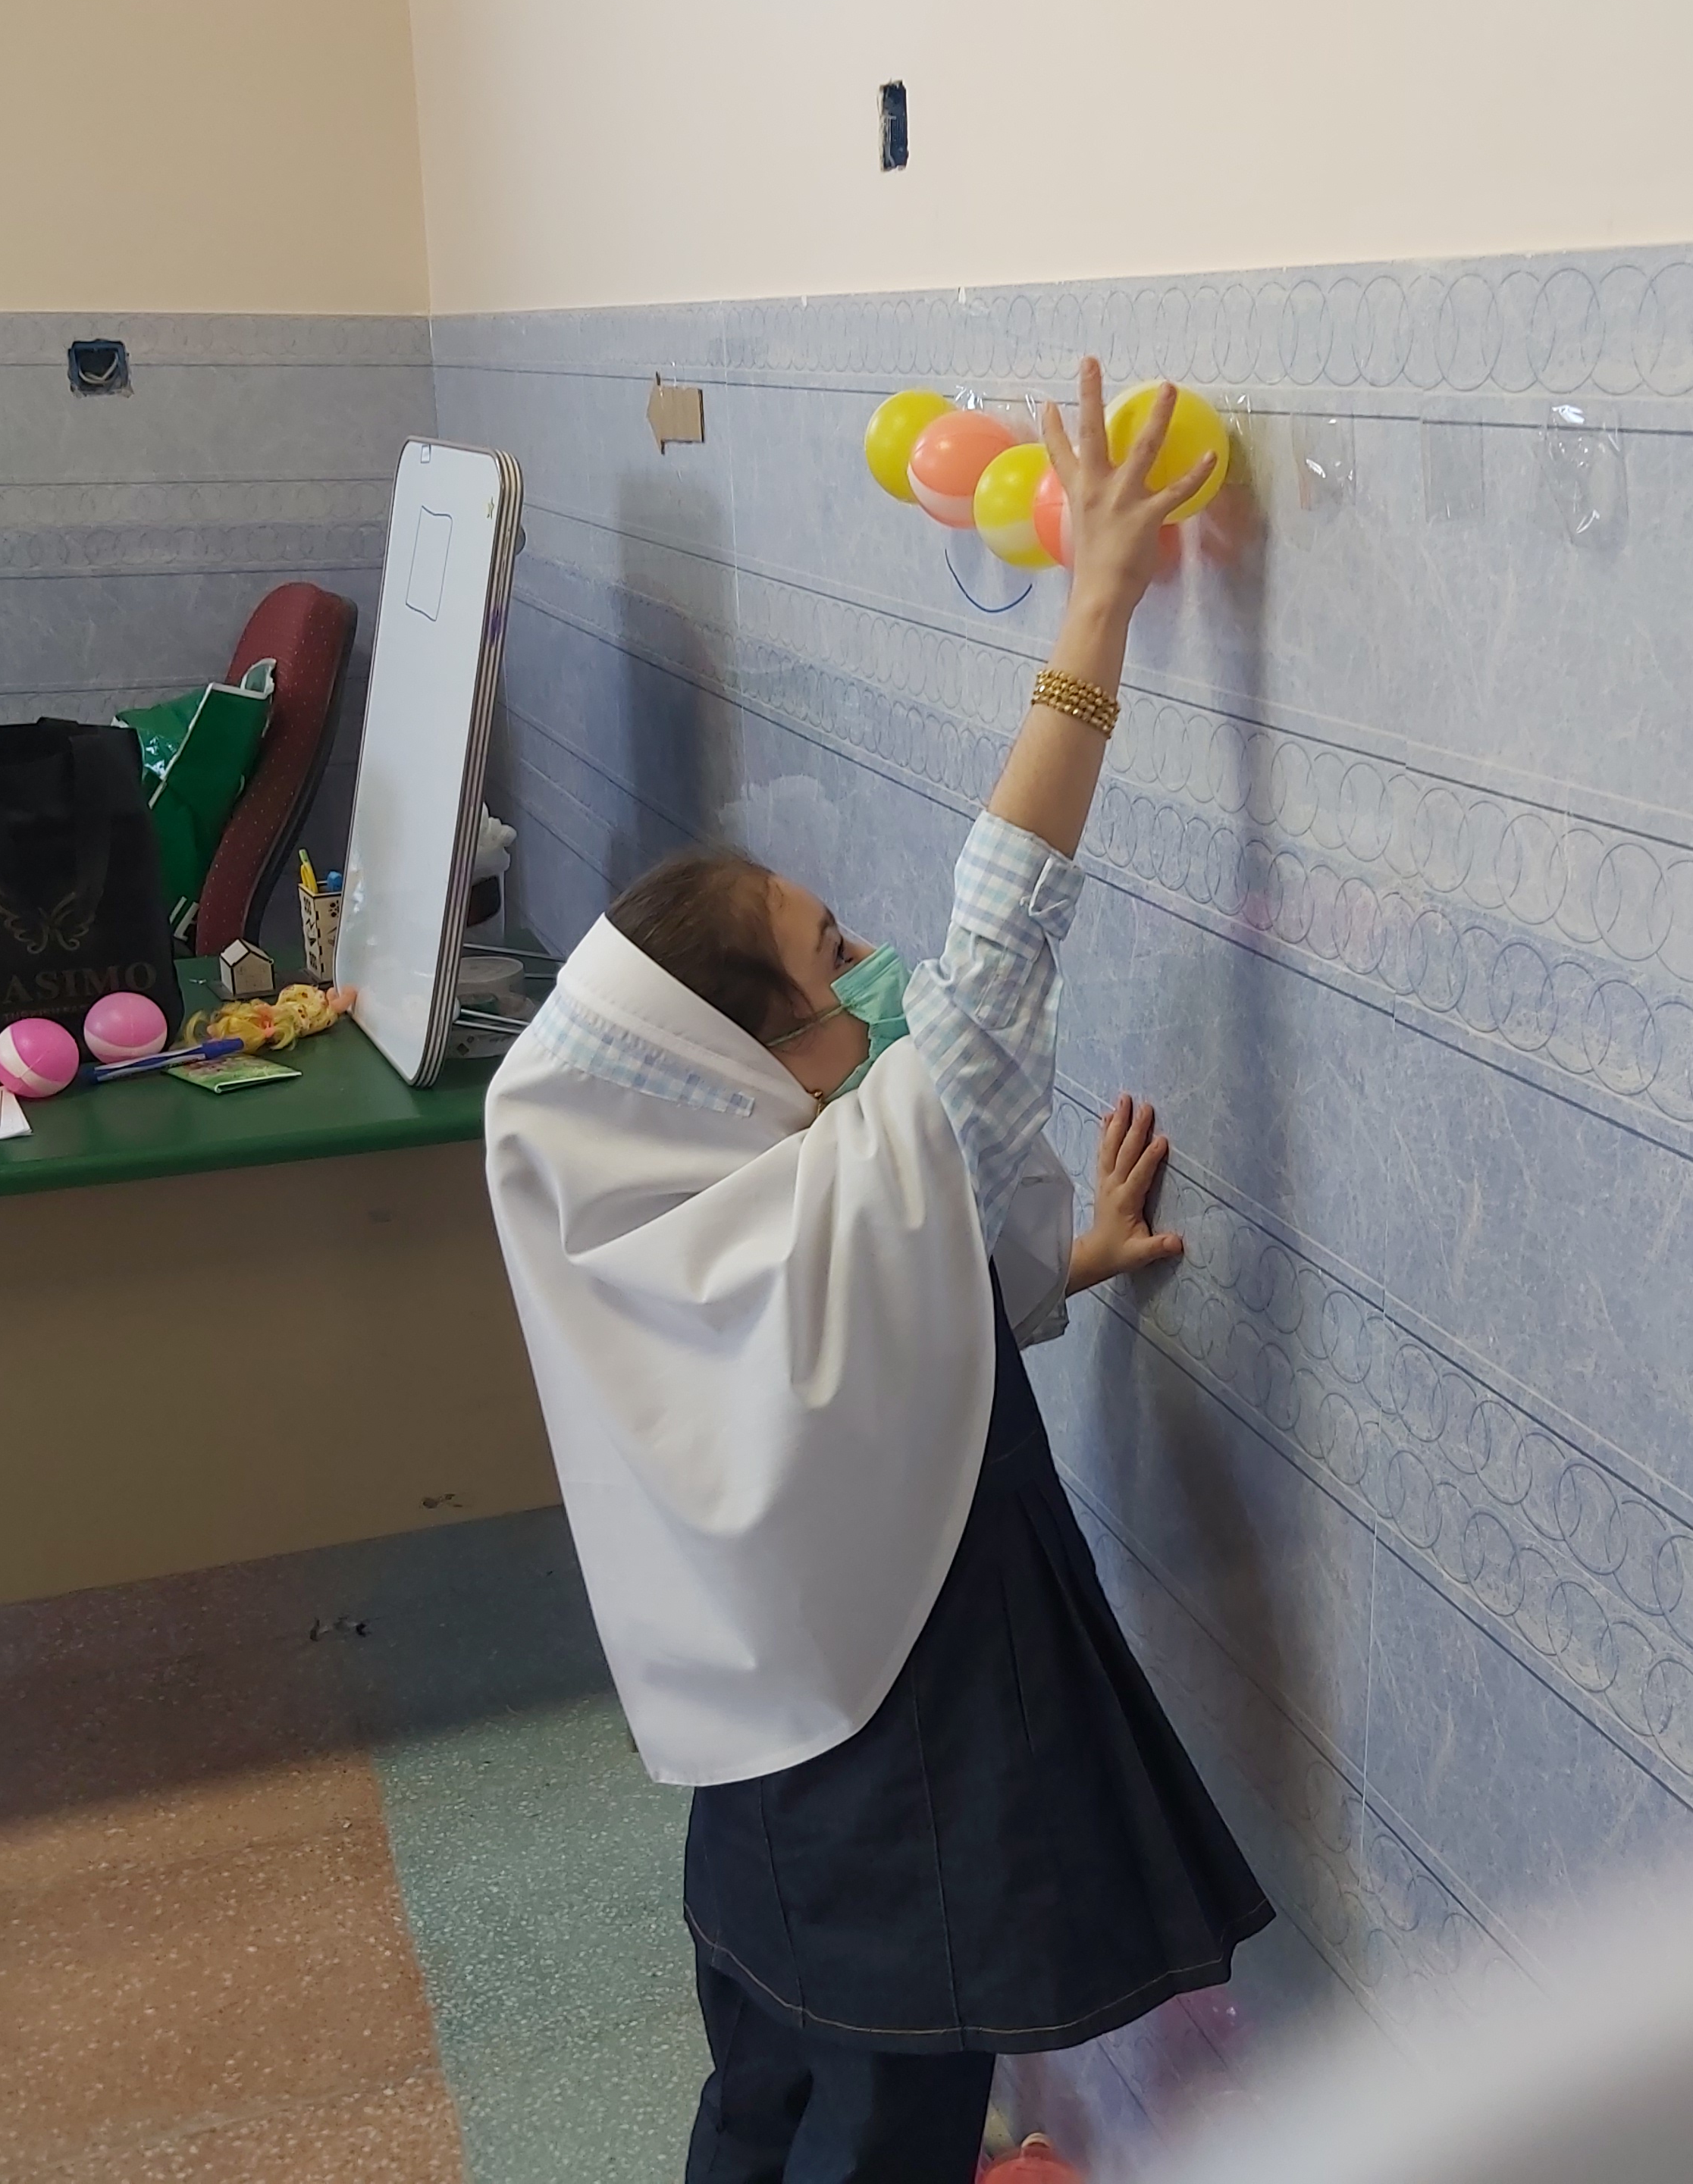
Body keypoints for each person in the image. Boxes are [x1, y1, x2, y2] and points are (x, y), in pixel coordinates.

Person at [484, 362, 1272, 2184]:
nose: (876, 977)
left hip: (758, 1793)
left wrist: (1051, 1263)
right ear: (736, 1066)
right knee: (889, 2117)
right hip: (900, 1784)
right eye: (835, 961)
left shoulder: (643, 1237)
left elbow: (834, 1370)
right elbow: (998, 954)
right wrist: (1096, 610)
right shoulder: (833, 1178)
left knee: (766, 2089)